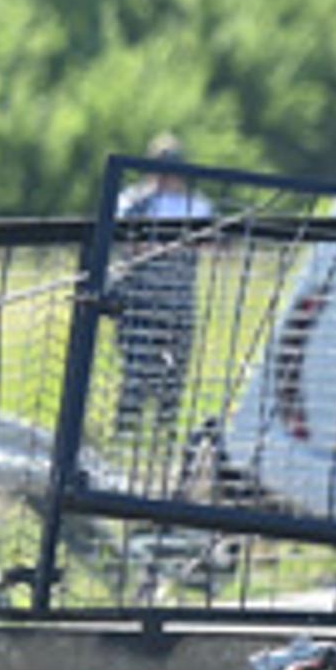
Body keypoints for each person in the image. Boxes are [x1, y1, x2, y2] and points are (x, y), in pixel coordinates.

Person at [111, 137, 215, 443]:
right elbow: (127, 241)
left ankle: (163, 439)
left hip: (179, 303)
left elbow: (217, 245)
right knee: (136, 375)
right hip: (140, 301)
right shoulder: (133, 201)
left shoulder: (197, 205)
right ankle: (125, 436)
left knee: (173, 377)